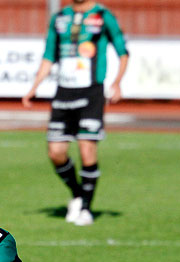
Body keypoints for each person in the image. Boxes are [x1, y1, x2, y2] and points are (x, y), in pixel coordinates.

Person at [22, 0, 129, 226]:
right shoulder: (60, 18)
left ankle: (86, 209)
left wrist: (117, 81)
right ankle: (78, 194)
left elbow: (122, 50)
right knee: (56, 152)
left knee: (86, 149)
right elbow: (49, 55)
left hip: (91, 92)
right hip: (63, 94)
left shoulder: (102, 15)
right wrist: (34, 87)